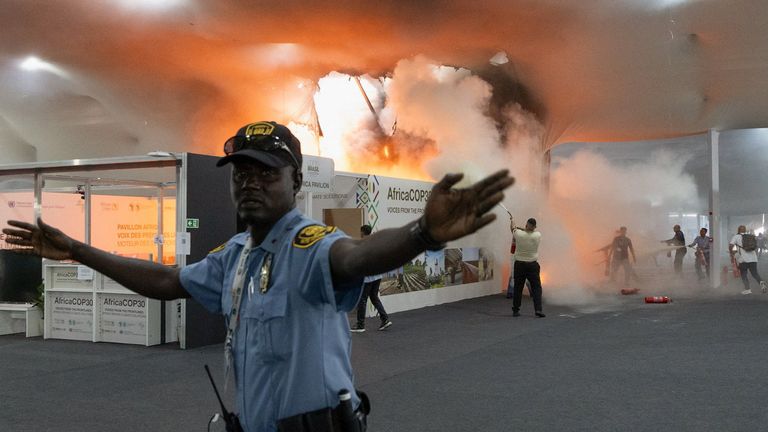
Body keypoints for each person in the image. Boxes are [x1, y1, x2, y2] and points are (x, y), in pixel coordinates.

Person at [2, 120, 514, 432]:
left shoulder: (309, 245)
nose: (250, 183)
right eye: (242, 173)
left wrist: (422, 234)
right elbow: (168, 283)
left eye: (267, 172)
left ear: (295, 180)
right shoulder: (236, 255)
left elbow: (356, 257)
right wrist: (78, 251)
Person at [351, 225, 391, 333]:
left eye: (360, 232)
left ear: (362, 232)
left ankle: (360, 325)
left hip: (368, 278)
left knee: (362, 300)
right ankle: (385, 319)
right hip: (377, 276)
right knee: (374, 298)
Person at [511, 217, 545, 318]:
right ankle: (538, 309)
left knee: (518, 288)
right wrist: (523, 228)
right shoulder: (537, 235)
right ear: (535, 227)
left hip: (520, 265)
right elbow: (528, 230)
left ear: (526, 225)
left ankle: (516, 310)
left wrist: (513, 222)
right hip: (532, 265)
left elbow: (512, 228)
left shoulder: (518, 234)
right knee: (536, 288)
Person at [729, 225, 767, 295]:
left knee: (744, 274)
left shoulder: (736, 236)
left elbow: (731, 245)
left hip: (743, 259)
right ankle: (761, 282)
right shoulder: (750, 236)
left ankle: (748, 289)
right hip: (753, 258)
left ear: (738, 230)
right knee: (755, 273)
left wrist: (731, 253)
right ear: (745, 230)